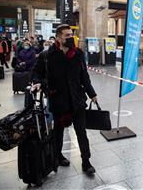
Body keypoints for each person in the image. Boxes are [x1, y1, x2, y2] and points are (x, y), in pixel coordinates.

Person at [31, 24, 97, 175]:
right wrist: (37, 82)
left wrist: (92, 93)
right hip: (58, 101)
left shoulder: (78, 54)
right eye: (67, 35)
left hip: (77, 101)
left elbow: (84, 76)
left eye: (71, 34)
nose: (71, 38)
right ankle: (58, 157)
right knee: (58, 133)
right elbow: (36, 72)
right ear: (59, 38)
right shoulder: (47, 56)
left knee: (82, 133)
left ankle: (86, 162)